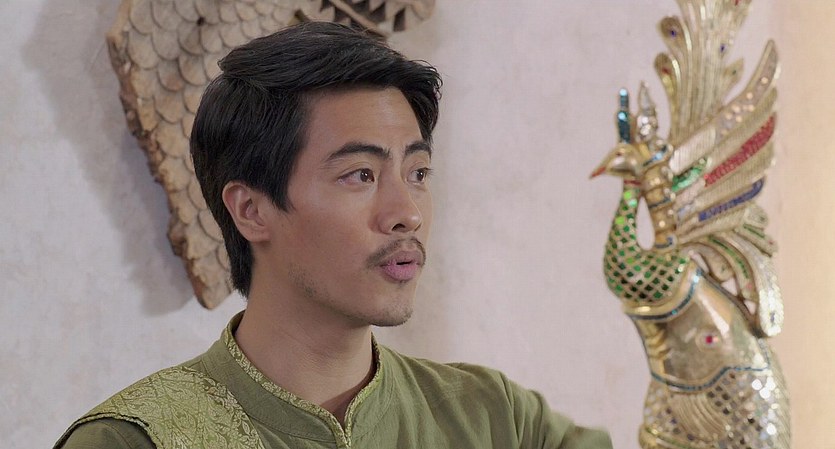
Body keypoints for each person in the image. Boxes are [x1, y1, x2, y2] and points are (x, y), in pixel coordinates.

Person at [55, 22, 612, 449]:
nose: (407, 213)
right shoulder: (135, 440)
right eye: (360, 175)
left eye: (418, 173)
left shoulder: (496, 420)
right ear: (251, 210)